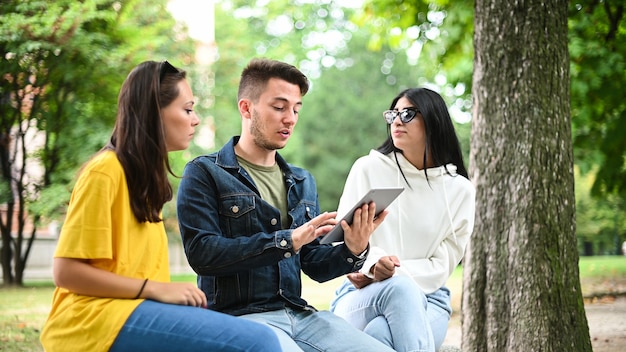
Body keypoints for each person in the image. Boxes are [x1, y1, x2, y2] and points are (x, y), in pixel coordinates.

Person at [39, 60, 281, 352]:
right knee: (261, 341)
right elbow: (66, 272)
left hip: (132, 312)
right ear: (154, 112)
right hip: (92, 321)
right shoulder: (105, 171)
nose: (195, 120)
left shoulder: (142, 178)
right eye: (188, 109)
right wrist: (154, 289)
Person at [176, 58, 395, 352]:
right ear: (246, 108)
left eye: (296, 109)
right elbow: (203, 254)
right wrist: (286, 240)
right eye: (279, 107)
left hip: (301, 316)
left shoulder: (303, 181)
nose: (290, 118)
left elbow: (313, 265)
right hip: (241, 319)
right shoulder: (204, 172)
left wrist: (353, 249)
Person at [329, 87, 476, 352]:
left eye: (407, 114)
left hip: (429, 300)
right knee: (398, 289)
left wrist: (393, 270)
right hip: (360, 296)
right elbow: (342, 239)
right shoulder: (369, 169)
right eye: (393, 114)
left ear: (434, 120)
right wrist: (372, 266)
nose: (397, 121)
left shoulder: (460, 191)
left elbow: (442, 265)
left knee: (379, 333)